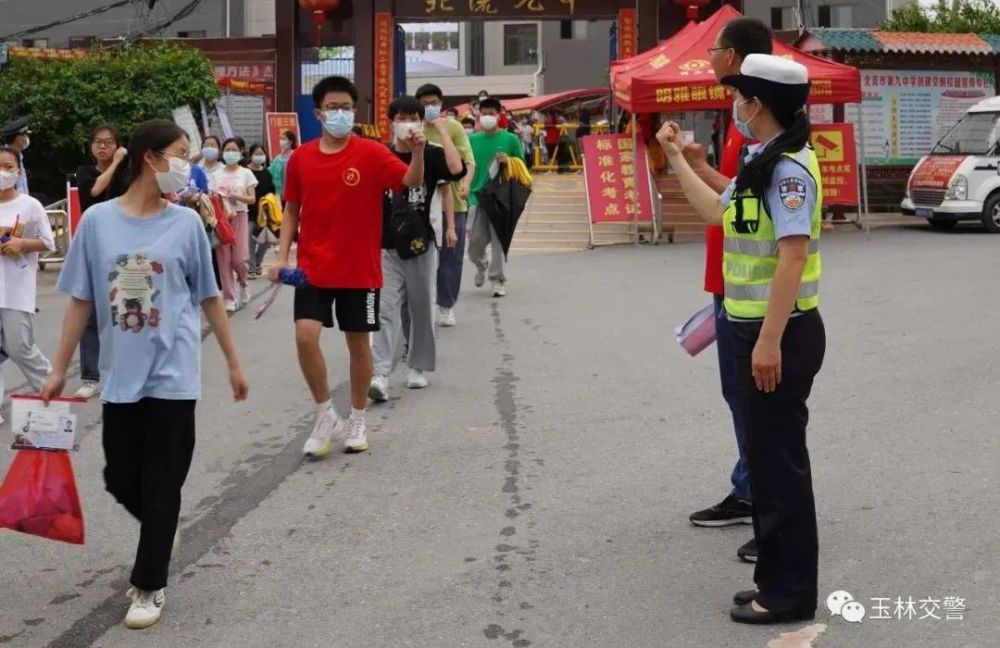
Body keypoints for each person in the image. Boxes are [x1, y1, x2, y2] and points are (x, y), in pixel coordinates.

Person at [40, 119, 247, 630]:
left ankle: (149, 583)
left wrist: (233, 361)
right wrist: (58, 371)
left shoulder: (184, 224)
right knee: (118, 475)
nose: (187, 164)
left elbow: (209, 297)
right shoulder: (98, 222)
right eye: (180, 153)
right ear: (150, 157)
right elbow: (80, 301)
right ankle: (162, 524)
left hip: (174, 374)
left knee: (162, 482)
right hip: (121, 376)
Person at [657, 54, 825, 625]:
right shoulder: (761, 159)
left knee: (780, 469)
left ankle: (790, 594)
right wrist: (678, 158)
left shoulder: (789, 171)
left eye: (739, 96)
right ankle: (771, 580)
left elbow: (792, 259)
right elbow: (714, 211)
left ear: (758, 104)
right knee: (767, 461)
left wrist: (769, 342)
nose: (735, 106)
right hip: (751, 330)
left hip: (778, 334)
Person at [269, 76, 426, 458]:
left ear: (354, 112)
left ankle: (356, 418)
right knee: (305, 337)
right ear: (319, 112)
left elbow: (408, 182)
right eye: (333, 107)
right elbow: (291, 210)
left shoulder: (370, 153)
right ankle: (324, 413)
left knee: (358, 344)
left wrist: (418, 153)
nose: (340, 113)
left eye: (347, 107)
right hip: (313, 267)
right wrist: (282, 255)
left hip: (359, 268)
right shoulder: (302, 158)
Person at [683, 17, 774, 566]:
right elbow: (734, 195)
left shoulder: (764, 121)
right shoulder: (741, 113)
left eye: (714, 49)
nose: (709, 57)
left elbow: (767, 224)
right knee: (738, 398)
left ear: (735, 56)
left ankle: (769, 506)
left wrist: (680, 164)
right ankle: (748, 489)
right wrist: (694, 164)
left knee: (756, 403)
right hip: (730, 283)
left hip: (755, 294)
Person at [370, 96, 466, 403]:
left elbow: (456, 170)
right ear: (391, 121)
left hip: (421, 243)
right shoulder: (380, 154)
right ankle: (381, 372)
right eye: (401, 116)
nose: (407, 122)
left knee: (421, 307)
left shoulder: (433, 153)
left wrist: (443, 133)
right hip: (385, 246)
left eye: (413, 116)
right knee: (385, 309)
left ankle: (417, 367)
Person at [73, 124, 128, 399]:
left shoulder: (127, 174)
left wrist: (122, 165)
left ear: (117, 144)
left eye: (109, 142)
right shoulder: (84, 172)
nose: (103, 146)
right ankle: (90, 376)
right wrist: (116, 162)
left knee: (123, 310)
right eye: (98, 142)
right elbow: (93, 192)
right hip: (93, 247)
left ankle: (121, 369)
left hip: (123, 247)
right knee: (90, 313)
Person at [0, 146, 56, 415]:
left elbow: (49, 242)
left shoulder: (30, 205)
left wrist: (22, 243)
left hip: (14, 288)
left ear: (18, 170)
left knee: (18, 346)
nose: (3, 172)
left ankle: (49, 388)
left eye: (8, 167)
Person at [414, 83, 475, 327]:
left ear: (441, 104)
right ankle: (419, 304)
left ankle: (445, 305)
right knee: (420, 254)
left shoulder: (453, 127)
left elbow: (468, 162)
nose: (430, 107)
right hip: (421, 203)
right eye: (425, 103)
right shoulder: (412, 128)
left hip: (454, 202)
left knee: (451, 256)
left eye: (434, 103)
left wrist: (467, 183)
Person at [467, 97, 524, 298]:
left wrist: (508, 161)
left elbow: (522, 165)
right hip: (476, 196)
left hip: (500, 196)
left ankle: (497, 279)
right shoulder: (472, 140)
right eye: (484, 113)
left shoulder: (510, 139)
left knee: (499, 240)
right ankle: (481, 263)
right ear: (478, 115)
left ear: (500, 114)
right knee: (474, 242)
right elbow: (467, 166)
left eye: (492, 113)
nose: (488, 117)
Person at [211, 138, 257, 312]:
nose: (230, 153)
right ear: (222, 153)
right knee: (223, 259)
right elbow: (211, 197)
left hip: (240, 215)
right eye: (227, 150)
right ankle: (229, 297)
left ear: (240, 152)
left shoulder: (246, 173)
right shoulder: (215, 175)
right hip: (221, 218)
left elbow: (252, 199)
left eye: (233, 150)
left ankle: (243, 283)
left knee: (239, 258)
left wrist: (235, 196)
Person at [246, 144, 276, 278]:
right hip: (249, 212)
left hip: (264, 214)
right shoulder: (245, 172)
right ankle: (251, 268)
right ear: (251, 155)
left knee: (266, 241)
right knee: (250, 241)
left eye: (261, 154)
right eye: (256, 154)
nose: (259, 156)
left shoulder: (266, 173)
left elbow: (272, 192)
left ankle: (258, 262)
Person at [1, 117, 31, 194]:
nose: (27, 138)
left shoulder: (18, 157)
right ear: (19, 139)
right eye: (26, 135)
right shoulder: (4, 160)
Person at [268, 130, 296, 202]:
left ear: (291, 141)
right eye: (280, 139)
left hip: (293, 193)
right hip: (279, 194)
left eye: (284, 139)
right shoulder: (278, 158)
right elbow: (270, 172)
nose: (281, 141)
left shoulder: (295, 155)